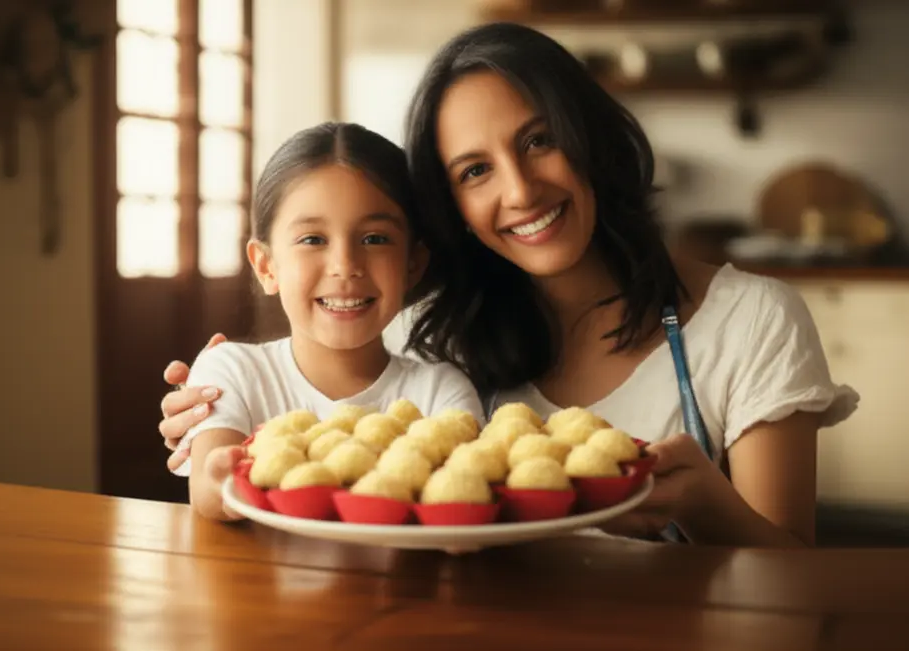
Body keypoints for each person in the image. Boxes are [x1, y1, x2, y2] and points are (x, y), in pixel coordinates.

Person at [160, 23, 857, 546]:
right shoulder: (424, 333)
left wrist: (705, 502)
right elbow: (329, 384)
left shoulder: (751, 321)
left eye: (537, 140)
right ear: (451, 208)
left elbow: (791, 578)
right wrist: (223, 396)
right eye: (474, 171)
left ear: (590, 136)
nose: (520, 190)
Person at [174, 122, 484, 521]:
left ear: (413, 265)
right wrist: (219, 478)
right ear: (266, 266)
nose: (345, 267)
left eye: (374, 239)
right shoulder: (232, 370)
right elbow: (209, 490)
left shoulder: (440, 393)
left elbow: (462, 504)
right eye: (313, 239)